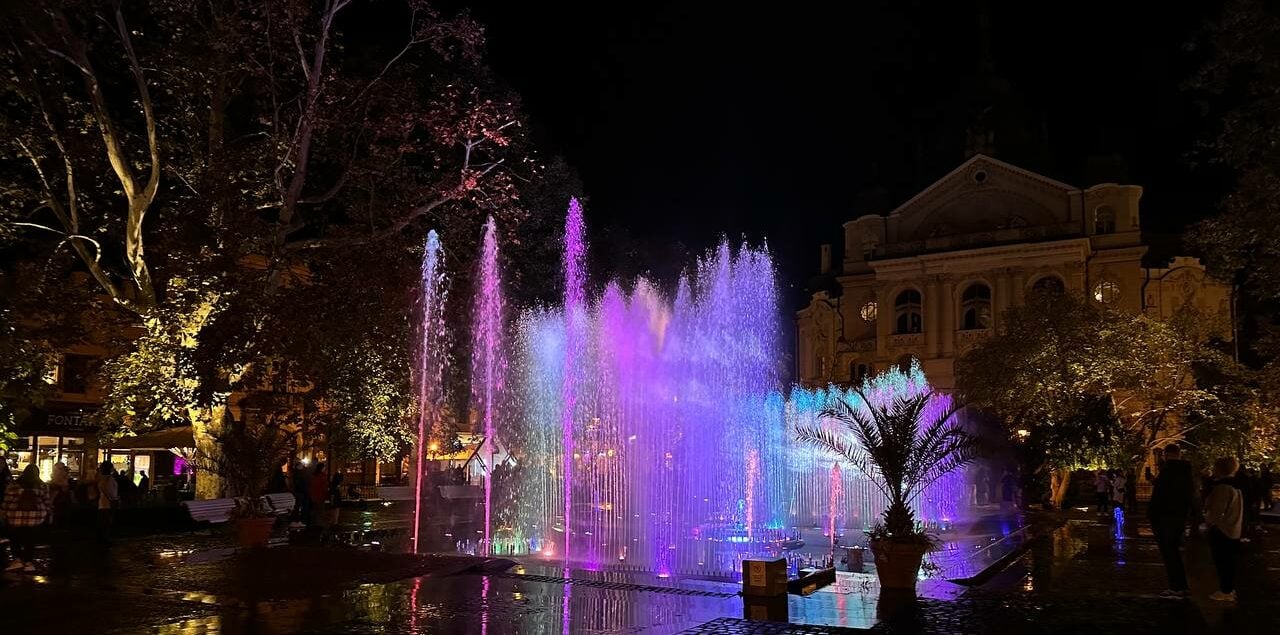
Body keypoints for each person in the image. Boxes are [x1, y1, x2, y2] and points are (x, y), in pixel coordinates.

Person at [1148, 445, 1197, 598]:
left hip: (1164, 518)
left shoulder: (1168, 471)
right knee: (1174, 553)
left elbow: (1161, 495)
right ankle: (1182, 585)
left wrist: (1152, 515)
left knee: (1169, 554)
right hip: (1178, 517)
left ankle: (1176, 587)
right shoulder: (1186, 472)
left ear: (1165, 454)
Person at [1204, 456, 1244, 602]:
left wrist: (1208, 523)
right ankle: (1229, 589)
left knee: (1222, 562)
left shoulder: (1222, 488)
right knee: (1230, 562)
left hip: (1223, 530)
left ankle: (1225, 590)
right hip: (1234, 529)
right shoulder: (1236, 486)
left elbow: (1216, 511)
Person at [2, 464, 50, 572]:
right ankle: (29, 562)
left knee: (14, 539)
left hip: (15, 517)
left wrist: (4, 512)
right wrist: (48, 513)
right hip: (35, 518)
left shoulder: (13, 485)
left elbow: (7, 501)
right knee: (30, 541)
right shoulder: (42, 486)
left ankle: (17, 560)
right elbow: (46, 502)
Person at [94, 461, 119, 544]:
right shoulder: (109, 479)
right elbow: (111, 492)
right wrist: (115, 499)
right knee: (106, 522)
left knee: (102, 523)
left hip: (102, 504)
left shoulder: (101, 479)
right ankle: (105, 540)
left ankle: (101, 540)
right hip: (108, 504)